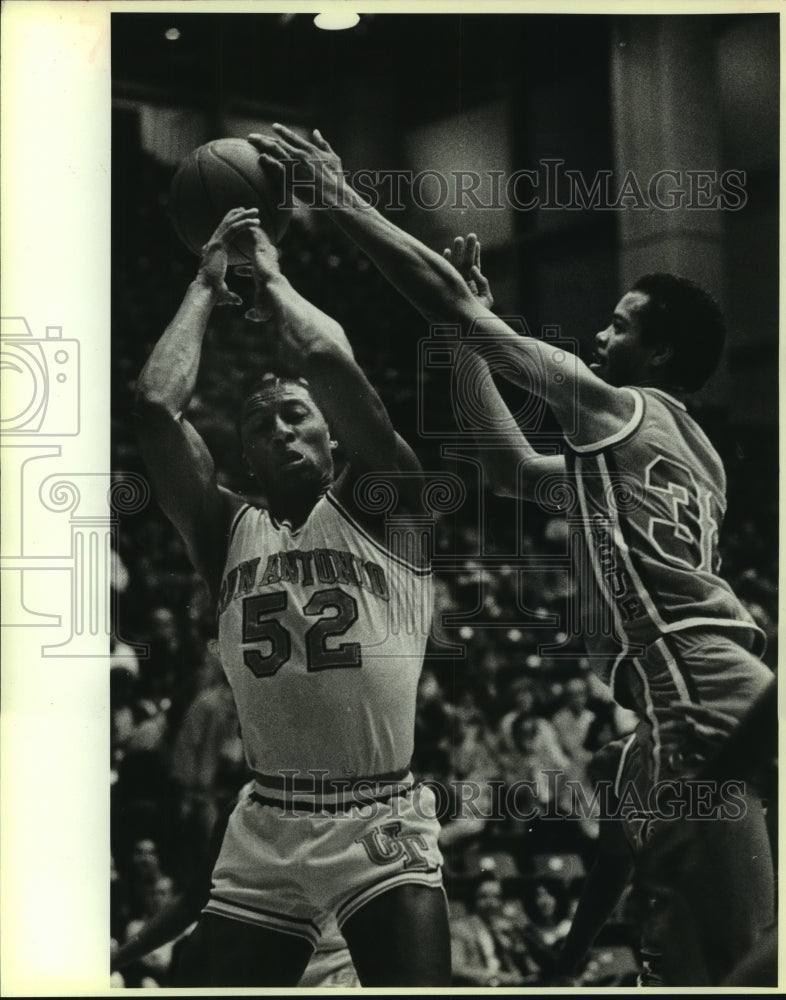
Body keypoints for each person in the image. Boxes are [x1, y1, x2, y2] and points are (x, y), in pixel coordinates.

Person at [247, 124, 775, 984]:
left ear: (661, 354)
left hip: (694, 684)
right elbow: (504, 466)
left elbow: (447, 303)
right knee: (699, 944)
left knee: (734, 963)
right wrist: (472, 344)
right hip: (707, 689)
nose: (600, 338)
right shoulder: (686, 459)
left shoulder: (621, 410)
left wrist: (339, 198)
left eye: (619, 324)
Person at [134, 207, 449, 986]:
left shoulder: (384, 502)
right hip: (269, 820)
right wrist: (206, 282)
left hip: (380, 818)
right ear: (243, 452)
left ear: (332, 436)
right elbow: (151, 408)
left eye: (296, 415)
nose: (281, 430)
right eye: (261, 422)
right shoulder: (223, 526)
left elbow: (328, 360)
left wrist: (269, 278)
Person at [111, 781, 359, 989]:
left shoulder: (358, 796)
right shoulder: (241, 806)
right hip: (263, 969)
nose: (241, 733)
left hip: (335, 968)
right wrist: (117, 959)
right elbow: (192, 903)